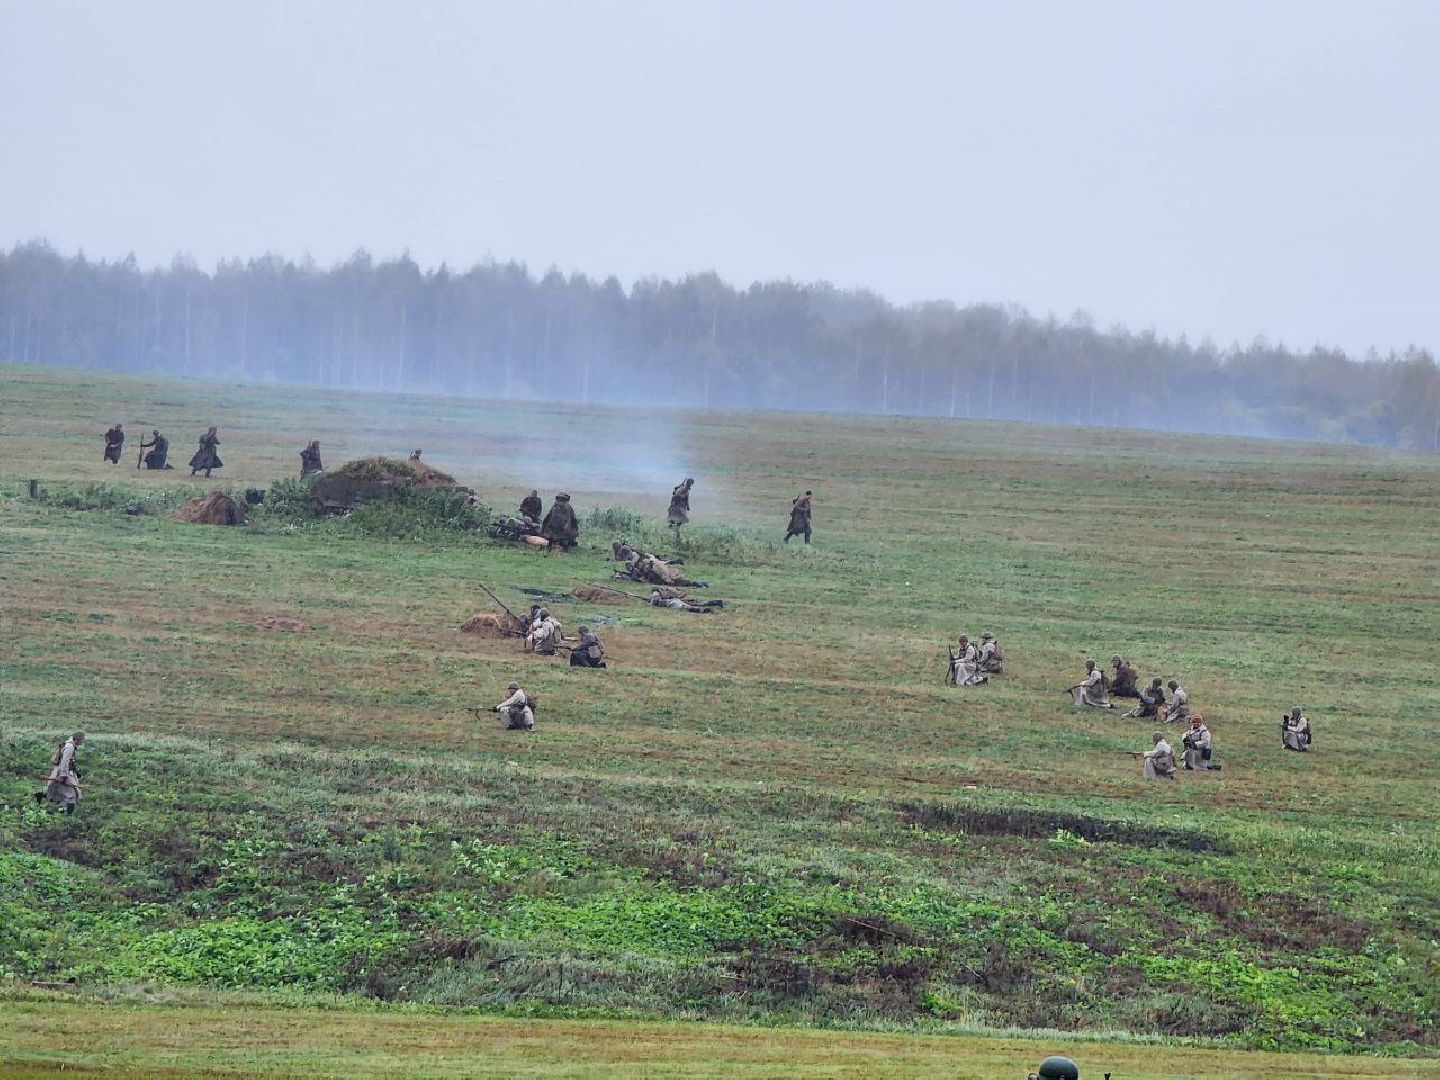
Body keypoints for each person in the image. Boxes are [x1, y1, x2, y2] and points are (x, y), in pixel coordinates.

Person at [35, 731, 85, 813]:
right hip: (64, 772)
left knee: (53, 790)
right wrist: (64, 776)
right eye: (82, 740)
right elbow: (65, 762)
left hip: (62, 771)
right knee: (71, 794)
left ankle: (39, 795)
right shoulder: (70, 747)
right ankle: (69, 817)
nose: (82, 742)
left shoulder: (68, 744)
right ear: (78, 740)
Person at [650, 587, 721, 613]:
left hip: (673, 600)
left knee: (684, 606)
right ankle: (714, 602)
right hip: (677, 598)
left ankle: (700, 610)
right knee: (695, 603)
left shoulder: (656, 591)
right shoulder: (664, 590)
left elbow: (655, 601)